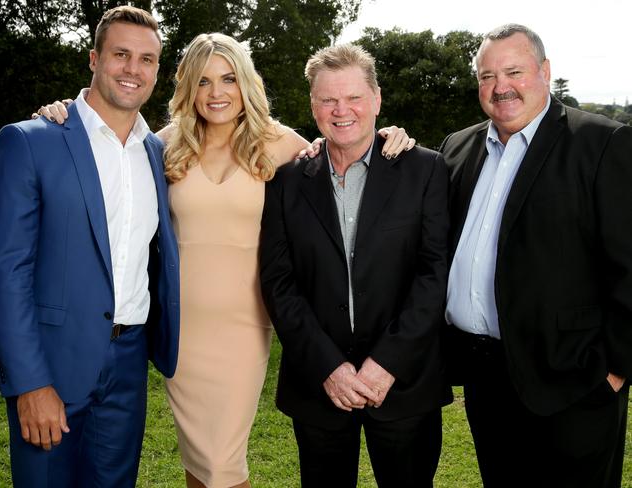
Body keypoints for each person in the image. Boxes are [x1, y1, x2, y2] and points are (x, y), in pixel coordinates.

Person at [36, 33, 414, 488]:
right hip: (181, 330)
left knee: (223, 465)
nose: (217, 93)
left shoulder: (282, 145)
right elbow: (100, 155)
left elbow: (346, 149)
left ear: (246, 83)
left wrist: (392, 134)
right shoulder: (162, 145)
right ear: (188, 88)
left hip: (244, 328)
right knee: (200, 464)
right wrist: (62, 115)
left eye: (229, 79)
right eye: (204, 81)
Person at [0, 6, 179, 488]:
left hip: (128, 364)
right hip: (52, 363)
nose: (134, 69)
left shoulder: (156, 151)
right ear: (94, 59)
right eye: (121, 54)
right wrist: (30, 383)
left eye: (147, 59)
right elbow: (6, 272)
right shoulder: (32, 141)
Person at [441, 23, 632, 488]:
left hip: (574, 382)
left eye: (513, 71)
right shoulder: (457, 147)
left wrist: (615, 372)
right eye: (487, 76)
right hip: (487, 380)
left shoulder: (602, 143)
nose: (500, 86)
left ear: (544, 72)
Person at [259, 44, 450, 487]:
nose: (341, 110)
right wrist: (328, 367)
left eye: (354, 98)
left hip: (404, 384)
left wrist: (386, 363)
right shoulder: (287, 181)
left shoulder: (425, 170)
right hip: (319, 385)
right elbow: (279, 282)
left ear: (377, 100)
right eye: (328, 99)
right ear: (313, 105)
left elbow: (433, 274)